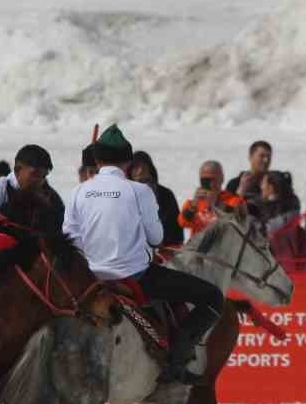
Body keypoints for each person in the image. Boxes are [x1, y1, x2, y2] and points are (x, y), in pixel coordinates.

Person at [63, 126, 224, 383]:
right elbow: (156, 238)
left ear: (97, 160)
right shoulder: (140, 191)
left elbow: (70, 241)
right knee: (213, 297)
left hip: (89, 280)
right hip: (134, 278)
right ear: (128, 162)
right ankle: (177, 361)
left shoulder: (78, 192)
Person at [0, 144, 63, 238]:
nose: (39, 181)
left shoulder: (49, 198)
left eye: (43, 176)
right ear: (17, 170)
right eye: (34, 174)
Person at [227, 140, 300, 223]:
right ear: (250, 157)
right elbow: (226, 214)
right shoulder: (235, 183)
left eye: (269, 157)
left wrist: (274, 198)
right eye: (261, 156)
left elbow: (292, 208)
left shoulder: (277, 181)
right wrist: (240, 192)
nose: (266, 160)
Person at [129, 151, 183, 249]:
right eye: (136, 167)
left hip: (164, 253)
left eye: (144, 166)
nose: (140, 170)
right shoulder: (124, 196)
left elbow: (177, 233)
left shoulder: (165, 195)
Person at [179, 160, 244, 237]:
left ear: (222, 178)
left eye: (214, 179)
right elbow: (183, 223)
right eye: (206, 180)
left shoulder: (234, 200)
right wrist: (193, 206)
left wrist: (217, 204)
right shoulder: (193, 203)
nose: (211, 184)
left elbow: (240, 222)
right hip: (199, 247)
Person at [260, 173, 305, 262]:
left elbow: (269, 228)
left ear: (271, 187)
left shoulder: (290, 207)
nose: (260, 186)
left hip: (284, 261)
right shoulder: (261, 203)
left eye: (263, 183)